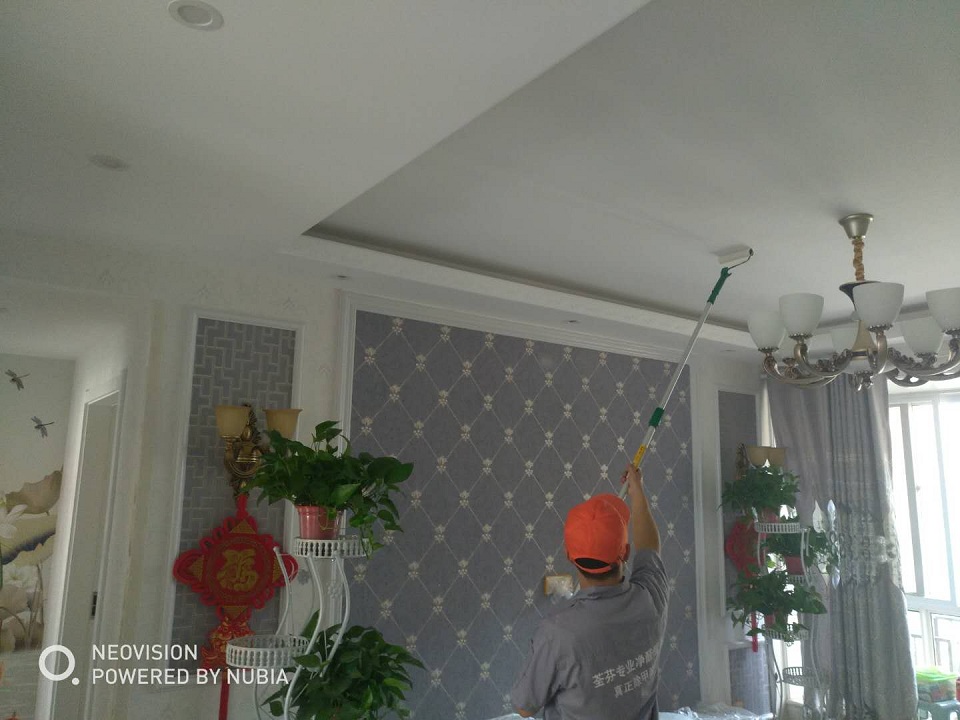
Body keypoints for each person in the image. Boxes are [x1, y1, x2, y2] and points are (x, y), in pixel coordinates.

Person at [511, 464, 668, 719]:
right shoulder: (650, 597)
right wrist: (637, 491)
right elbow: (650, 548)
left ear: (569, 555)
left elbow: (524, 707)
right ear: (625, 552)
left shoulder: (558, 633)